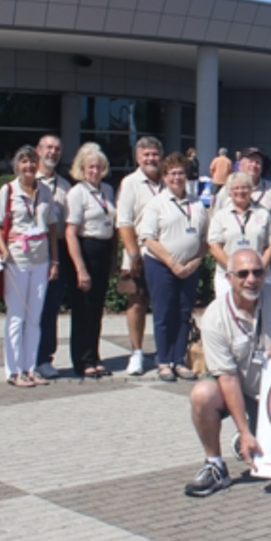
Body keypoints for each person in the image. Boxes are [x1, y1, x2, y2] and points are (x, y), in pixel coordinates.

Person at [185, 249, 271, 497]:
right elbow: (228, 378)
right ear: (229, 278)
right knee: (202, 394)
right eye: (243, 274)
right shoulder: (215, 316)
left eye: (258, 272)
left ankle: (256, 434)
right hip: (239, 386)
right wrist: (244, 431)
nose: (251, 279)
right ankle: (215, 466)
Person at [139, 152, 209, 382]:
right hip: (161, 265)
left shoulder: (197, 203)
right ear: (165, 177)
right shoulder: (156, 204)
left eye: (180, 173)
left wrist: (194, 261)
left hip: (189, 267)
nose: (177, 177)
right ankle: (164, 361)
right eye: (172, 174)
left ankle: (179, 360)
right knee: (163, 313)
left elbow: (205, 239)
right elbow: (148, 238)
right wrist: (172, 263)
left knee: (183, 313)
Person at [0, 145, 59, 387]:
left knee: (34, 317)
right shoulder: (8, 190)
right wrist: (4, 250)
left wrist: (54, 260)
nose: (29, 166)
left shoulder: (44, 191)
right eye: (24, 162)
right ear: (16, 166)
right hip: (17, 260)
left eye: (32, 161)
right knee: (17, 316)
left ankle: (30, 368)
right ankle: (14, 370)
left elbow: (51, 227)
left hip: (40, 259)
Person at [64, 143, 117, 378]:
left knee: (96, 309)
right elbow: (70, 232)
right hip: (86, 249)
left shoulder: (107, 190)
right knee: (83, 309)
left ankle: (95, 355)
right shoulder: (77, 193)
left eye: (98, 166)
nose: (95, 171)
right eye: (90, 167)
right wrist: (80, 268)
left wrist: (114, 257)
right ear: (82, 169)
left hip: (104, 250)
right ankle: (82, 360)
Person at [115, 137, 164, 375]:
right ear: (137, 158)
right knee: (137, 302)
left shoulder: (169, 180)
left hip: (166, 255)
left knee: (165, 306)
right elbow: (123, 221)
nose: (151, 159)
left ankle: (164, 353)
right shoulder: (130, 183)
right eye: (146, 155)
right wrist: (133, 253)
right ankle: (136, 353)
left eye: (155, 154)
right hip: (139, 254)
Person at [35, 134, 71, 379]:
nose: (52, 152)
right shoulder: (25, 182)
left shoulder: (66, 185)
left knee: (50, 308)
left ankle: (45, 358)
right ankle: (26, 359)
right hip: (32, 251)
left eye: (57, 149)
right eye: (48, 148)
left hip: (58, 250)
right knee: (31, 308)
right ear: (38, 150)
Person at [208, 172, 271, 298]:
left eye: (245, 187)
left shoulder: (263, 214)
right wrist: (234, 269)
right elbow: (214, 247)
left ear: (251, 190)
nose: (241, 191)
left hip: (260, 276)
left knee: (261, 313)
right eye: (236, 188)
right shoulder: (220, 216)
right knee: (230, 314)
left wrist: (259, 268)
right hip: (228, 276)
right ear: (229, 192)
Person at [213, 148, 271, 214]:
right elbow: (216, 216)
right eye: (250, 161)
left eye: (257, 162)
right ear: (240, 165)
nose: (254, 165)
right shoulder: (227, 189)